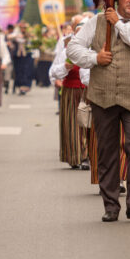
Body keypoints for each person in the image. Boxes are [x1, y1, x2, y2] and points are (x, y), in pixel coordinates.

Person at [67, 0, 130, 223]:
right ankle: (110, 205)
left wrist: (118, 24)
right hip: (103, 96)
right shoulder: (96, 21)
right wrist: (94, 58)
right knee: (107, 152)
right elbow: (73, 49)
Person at [50, 17, 90, 169]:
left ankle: (87, 155)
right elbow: (53, 72)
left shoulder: (94, 51)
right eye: (78, 33)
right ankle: (74, 156)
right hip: (70, 92)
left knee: (87, 123)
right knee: (72, 125)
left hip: (89, 92)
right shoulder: (67, 51)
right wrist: (65, 67)